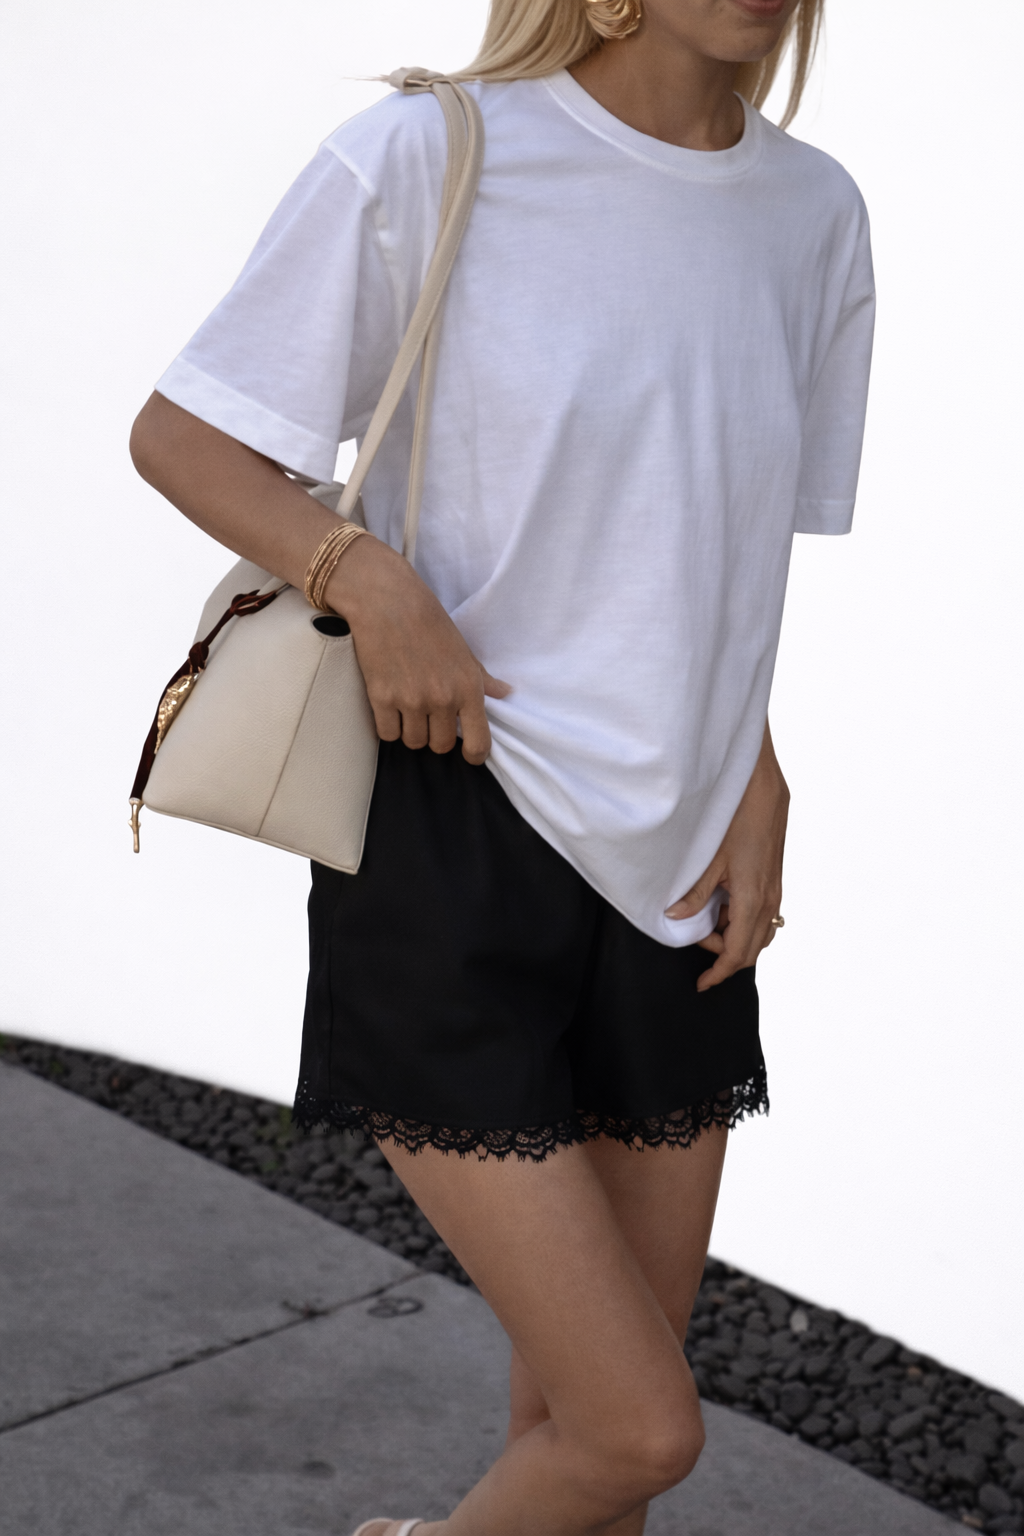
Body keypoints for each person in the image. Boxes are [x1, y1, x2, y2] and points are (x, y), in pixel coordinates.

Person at [130, 0, 873, 1530]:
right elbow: (181, 434)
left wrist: (756, 768)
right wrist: (370, 581)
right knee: (636, 1432)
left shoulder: (812, 213)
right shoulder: (428, 155)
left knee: (591, 1462)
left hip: (676, 866)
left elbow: (703, 544)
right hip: (454, 828)